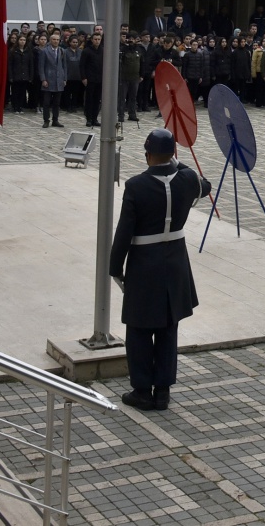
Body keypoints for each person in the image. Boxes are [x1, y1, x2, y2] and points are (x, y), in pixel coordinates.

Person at [109, 129, 212, 411]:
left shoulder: (136, 186)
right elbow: (207, 185)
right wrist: (178, 164)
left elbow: (124, 232)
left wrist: (115, 266)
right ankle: (163, 390)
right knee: (168, 326)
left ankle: (142, 390)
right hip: (175, 261)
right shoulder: (188, 179)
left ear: (147, 154)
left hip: (145, 262)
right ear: (173, 155)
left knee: (140, 327)